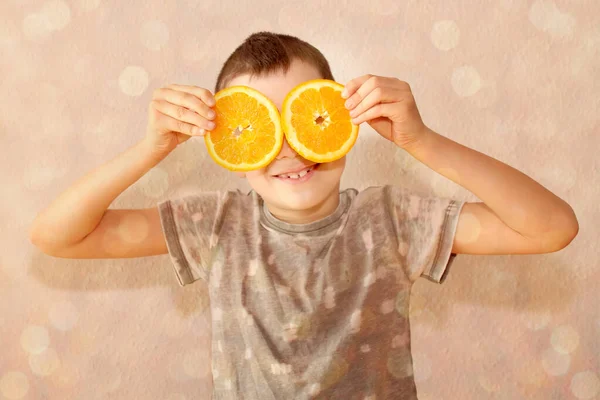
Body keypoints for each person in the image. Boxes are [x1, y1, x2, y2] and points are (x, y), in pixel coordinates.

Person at [29, 31, 579, 399]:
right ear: (227, 142)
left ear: (341, 118)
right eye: (260, 127)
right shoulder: (215, 226)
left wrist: (424, 142)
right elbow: (57, 237)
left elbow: (552, 227)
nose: (289, 149)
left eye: (306, 119)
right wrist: (149, 149)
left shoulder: (391, 219)